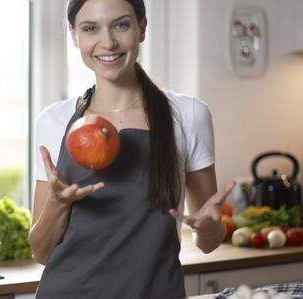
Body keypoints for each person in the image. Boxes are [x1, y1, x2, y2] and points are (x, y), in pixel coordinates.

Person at [28, 0, 235, 298]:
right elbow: (42, 253)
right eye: (90, 28)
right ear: (74, 35)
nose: (108, 42)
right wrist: (58, 204)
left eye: (121, 25)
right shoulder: (54, 121)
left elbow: (208, 242)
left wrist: (210, 226)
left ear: (142, 28)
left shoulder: (188, 115)